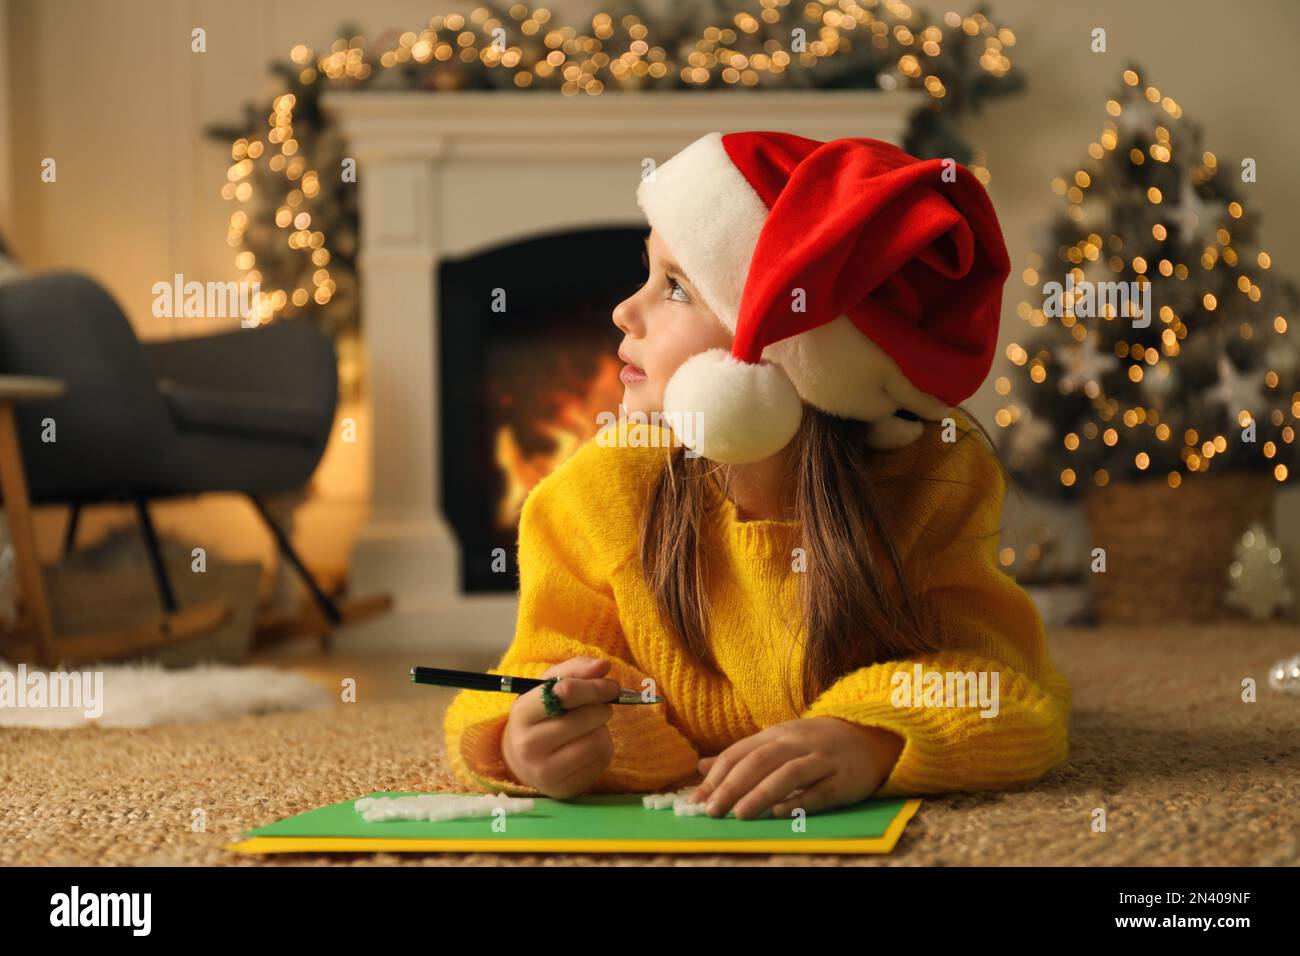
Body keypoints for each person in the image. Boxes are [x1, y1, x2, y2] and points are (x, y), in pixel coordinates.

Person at [443, 131, 1071, 820]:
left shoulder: (935, 480)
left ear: (788, 355)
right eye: (647, 272)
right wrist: (525, 738)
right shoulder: (597, 492)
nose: (624, 311)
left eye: (676, 287)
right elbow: (530, 671)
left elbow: (1004, 687)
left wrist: (869, 738)